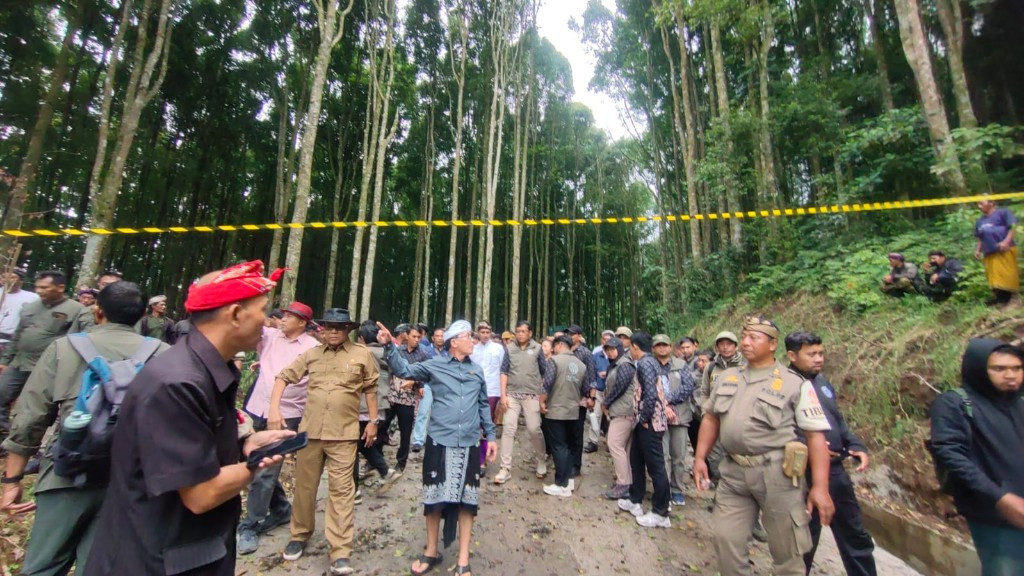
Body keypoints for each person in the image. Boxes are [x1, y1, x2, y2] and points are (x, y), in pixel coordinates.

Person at [81, 261, 295, 576]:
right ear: (235, 315)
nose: (267, 323)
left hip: (190, 551)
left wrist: (246, 442)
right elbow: (201, 493)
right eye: (263, 310)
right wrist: (255, 464)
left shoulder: (206, 370)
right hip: (156, 561)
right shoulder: (178, 383)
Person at [0, 282, 171, 575]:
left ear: (97, 311)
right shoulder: (165, 354)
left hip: (66, 473)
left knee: (44, 564)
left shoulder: (63, 348)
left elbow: (30, 418)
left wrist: (12, 479)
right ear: (143, 314)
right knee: (100, 566)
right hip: (130, 480)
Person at [694, 316, 835, 576]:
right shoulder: (728, 378)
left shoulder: (795, 384)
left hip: (777, 476)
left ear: (772, 344)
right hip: (733, 473)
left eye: (753, 338)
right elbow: (711, 418)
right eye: (744, 336)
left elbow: (815, 437)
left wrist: (820, 487)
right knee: (726, 541)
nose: (745, 342)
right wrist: (700, 458)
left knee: (788, 552)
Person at [377, 319, 497, 576]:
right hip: (440, 441)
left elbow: (484, 404)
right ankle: (431, 550)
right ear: (455, 342)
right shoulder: (435, 365)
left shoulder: (477, 371)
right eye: (468, 336)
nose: (473, 340)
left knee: (468, 502)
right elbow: (404, 370)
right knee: (433, 499)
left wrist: (492, 436)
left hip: (468, 444)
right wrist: (390, 346)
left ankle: (463, 558)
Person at [268, 308, 379, 575]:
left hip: (344, 435)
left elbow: (371, 389)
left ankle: (340, 551)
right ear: (321, 329)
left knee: (342, 492)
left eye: (338, 327)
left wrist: (373, 422)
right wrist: (274, 409)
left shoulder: (362, 355)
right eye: (327, 327)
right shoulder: (311, 354)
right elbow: (283, 377)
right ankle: (300, 535)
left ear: (347, 330)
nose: (332, 331)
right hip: (312, 433)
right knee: (306, 489)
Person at [929, 339, 1024, 574]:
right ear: (979, 368)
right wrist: (1000, 497)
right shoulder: (956, 403)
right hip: (994, 514)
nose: (1011, 375)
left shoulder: (1019, 405)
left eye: (1017, 368)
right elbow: (949, 453)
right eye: (999, 369)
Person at [785, 331, 877, 576]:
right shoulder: (785, 385)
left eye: (821, 353)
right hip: (803, 474)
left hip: (836, 471)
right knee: (804, 539)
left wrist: (855, 445)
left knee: (855, 535)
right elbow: (777, 429)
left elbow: (837, 421)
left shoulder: (823, 384)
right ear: (792, 356)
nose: (818, 359)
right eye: (811, 354)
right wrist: (807, 445)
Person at [236, 301, 321, 555]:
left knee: (266, 471)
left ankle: (251, 524)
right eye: (282, 315)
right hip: (256, 408)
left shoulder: (313, 348)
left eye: (289, 317)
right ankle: (282, 509)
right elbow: (251, 323)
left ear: (302, 323)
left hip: (286, 415)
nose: (282, 319)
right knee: (256, 464)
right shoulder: (270, 336)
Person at [0, 270, 92, 439]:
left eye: (45, 287)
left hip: (47, 368)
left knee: (34, 410)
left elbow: (86, 339)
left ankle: (27, 443)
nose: (39, 291)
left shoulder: (77, 310)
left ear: (60, 287)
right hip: (20, 362)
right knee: (2, 394)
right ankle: (4, 436)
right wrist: (5, 360)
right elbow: (18, 334)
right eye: (37, 287)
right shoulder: (30, 306)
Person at [609, 331, 674, 528]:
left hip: (651, 423)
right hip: (642, 422)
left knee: (656, 467)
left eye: (631, 349)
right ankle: (635, 499)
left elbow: (651, 393)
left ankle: (661, 512)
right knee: (635, 459)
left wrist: (644, 418)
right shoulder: (651, 362)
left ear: (636, 347)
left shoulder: (645, 363)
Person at [495, 321, 549, 484]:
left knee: (534, 429)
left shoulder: (538, 349)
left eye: (524, 331)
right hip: (512, 394)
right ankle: (505, 468)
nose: (520, 334)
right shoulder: (509, 348)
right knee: (508, 429)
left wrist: (543, 396)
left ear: (530, 333)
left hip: (531, 395)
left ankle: (541, 459)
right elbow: (504, 372)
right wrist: (503, 395)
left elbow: (545, 373)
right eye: (518, 331)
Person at [355, 321, 399, 494]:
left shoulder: (363, 353)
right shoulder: (388, 353)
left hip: (363, 405)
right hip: (382, 405)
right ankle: (385, 471)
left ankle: (354, 490)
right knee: (363, 442)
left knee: (353, 445)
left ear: (361, 338)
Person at [696, 331, 745, 485]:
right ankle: (720, 489)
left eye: (729, 343)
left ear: (736, 346)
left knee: (737, 458)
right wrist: (705, 411)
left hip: (737, 421)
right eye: (721, 344)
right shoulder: (711, 367)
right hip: (714, 418)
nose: (725, 347)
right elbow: (704, 391)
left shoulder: (745, 366)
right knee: (714, 457)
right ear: (716, 347)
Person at [539, 335, 584, 498]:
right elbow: (584, 389)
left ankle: (561, 484)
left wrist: (542, 402)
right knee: (569, 445)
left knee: (558, 446)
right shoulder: (581, 364)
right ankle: (569, 479)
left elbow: (547, 384)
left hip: (556, 409)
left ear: (559, 346)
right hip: (573, 410)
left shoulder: (555, 361)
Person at [653, 333, 695, 506]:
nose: (662, 348)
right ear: (653, 348)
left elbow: (688, 387)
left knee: (678, 455)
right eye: (658, 345)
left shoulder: (681, 365)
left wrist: (668, 401)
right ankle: (664, 491)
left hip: (680, 415)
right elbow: (648, 388)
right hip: (658, 415)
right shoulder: (649, 365)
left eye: (665, 345)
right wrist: (663, 405)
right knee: (663, 456)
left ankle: (677, 489)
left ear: (671, 347)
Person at [383, 323, 429, 473]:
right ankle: (375, 458)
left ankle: (401, 462)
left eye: (419, 337)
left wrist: (416, 382)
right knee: (382, 426)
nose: (416, 339)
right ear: (406, 336)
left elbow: (427, 373)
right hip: (392, 393)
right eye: (414, 336)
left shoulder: (423, 354)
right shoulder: (398, 350)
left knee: (405, 432)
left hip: (408, 398)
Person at [600, 339, 633, 499]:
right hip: (619, 410)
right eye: (608, 350)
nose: (611, 352)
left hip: (623, 411)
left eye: (613, 349)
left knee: (614, 444)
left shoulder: (625, 364)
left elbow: (620, 386)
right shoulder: (615, 364)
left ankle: (623, 484)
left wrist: (606, 402)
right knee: (624, 448)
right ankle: (627, 481)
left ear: (620, 349)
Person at [471, 321, 505, 473]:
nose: (484, 335)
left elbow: (503, 370)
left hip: (492, 390)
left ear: (491, 333)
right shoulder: (473, 349)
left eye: (487, 332)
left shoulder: (498, 349)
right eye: (482, 332)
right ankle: (473, 455)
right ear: (477, 332)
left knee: (487, 423)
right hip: (474, 390)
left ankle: (482, 460)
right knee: (474, 423)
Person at [974, 198, 1019, 306]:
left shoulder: (1003, 212)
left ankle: (1011, 297)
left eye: (981, 203)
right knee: (994, 276)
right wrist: (978, 250)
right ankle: (999, 298)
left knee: (1006, 274)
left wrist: (1006, 242)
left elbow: (1012, 227)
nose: (979, 206)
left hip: (1004, 250)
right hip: (989, 251)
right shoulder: (980, 221)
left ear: (992, 203)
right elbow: (980, 237)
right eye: (977, 204)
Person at [566, 324, 597, 475]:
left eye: (572, 334)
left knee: (577, 432)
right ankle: (565, 461)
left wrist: (592, 396)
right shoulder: (563, 350)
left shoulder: (585, 353)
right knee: (565, 431)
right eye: (568, 333)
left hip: (579, 398)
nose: (569, 336)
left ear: (578, 335)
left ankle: (575, 465)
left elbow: (591, 376)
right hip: (563, 397)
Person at [587, 330, 613, 453]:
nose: (606, 342)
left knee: (610, 418)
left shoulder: (617, 356)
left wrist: (607, 374)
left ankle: (610, 442)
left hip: (612, 393)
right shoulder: (596, 356)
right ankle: (593, 441)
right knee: (595, 416)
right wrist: (591, 392)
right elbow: (591, 374)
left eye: (608, 340)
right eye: (604, 339)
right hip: (598, 390)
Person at [0, 268, 39, 345]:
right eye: (3, 277)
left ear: (21, 281)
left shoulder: (32, 297)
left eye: (12, 277)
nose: (7, 280)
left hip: (11, 340)